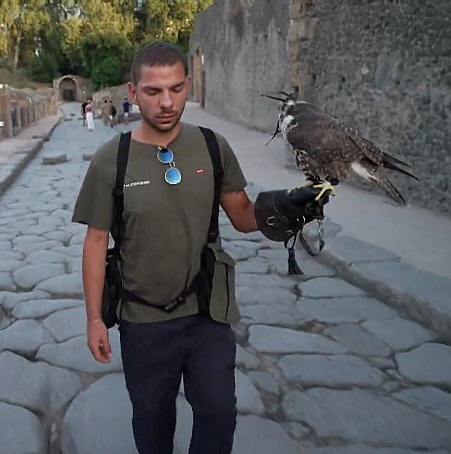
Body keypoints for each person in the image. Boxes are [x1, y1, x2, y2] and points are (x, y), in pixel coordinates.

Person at [72, 42, 323, 454]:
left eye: (175, 88)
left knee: (219, 413)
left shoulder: (211, 146)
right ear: (133, 93)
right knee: (153, 422)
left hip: (207, 312)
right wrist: (94, 320)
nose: (166, 102)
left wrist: (289, 205)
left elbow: (241, 214)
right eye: (153, 92)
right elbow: (96, 242)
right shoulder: (111, 160)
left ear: (188, 84)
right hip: (142, 320)